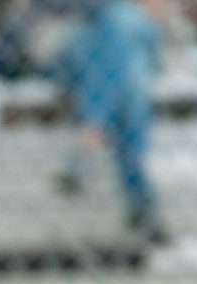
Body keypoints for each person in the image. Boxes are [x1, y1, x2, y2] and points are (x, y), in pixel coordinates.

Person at [53, 0, 168, 244]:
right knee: (126, 64)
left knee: (121, 32)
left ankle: (92, 130)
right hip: (78, 39)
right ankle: (141, 200)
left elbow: (159, 11)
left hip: (132, 41)